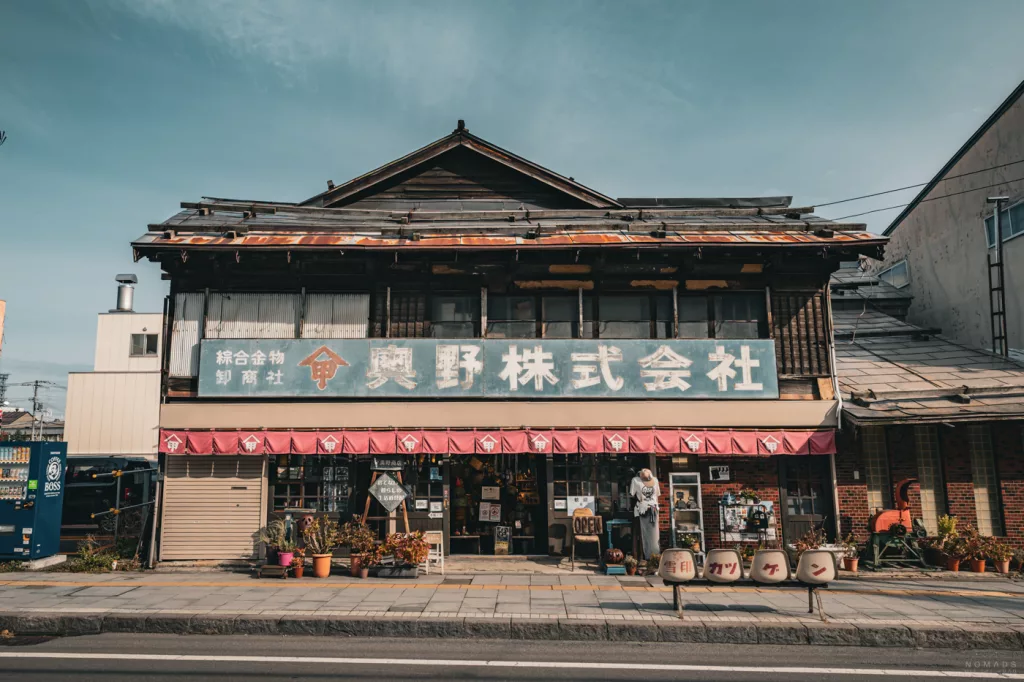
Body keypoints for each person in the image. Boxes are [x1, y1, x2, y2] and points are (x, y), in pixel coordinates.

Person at [629, 468, 660, 559]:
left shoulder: (655, 480)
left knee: (654, 536)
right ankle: (641, 557)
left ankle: (654, 557)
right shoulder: (635, 481)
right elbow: (632, 494)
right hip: (641, 510)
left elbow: (657, 496)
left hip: (653, 509)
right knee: (641, 534)